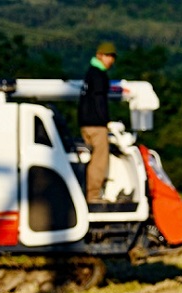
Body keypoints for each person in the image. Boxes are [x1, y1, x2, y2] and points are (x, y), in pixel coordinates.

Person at [78, 41, 117, 203]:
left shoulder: (89, 73)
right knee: (99, 161)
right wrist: (106, 121)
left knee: (87, 160)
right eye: (108, 56)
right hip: (96, 125)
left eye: (112, 56)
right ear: (99, 56)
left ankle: (86, 192)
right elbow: (99, 100)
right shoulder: (99, 75)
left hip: (85, 123)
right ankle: (93, 196)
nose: (110, 60)